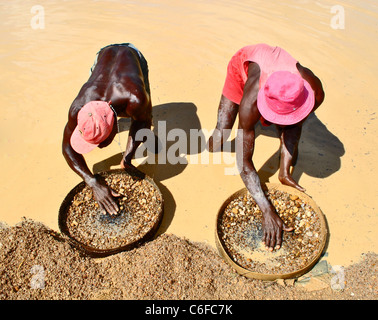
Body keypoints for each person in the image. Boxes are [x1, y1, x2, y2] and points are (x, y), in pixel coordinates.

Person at [208, 44, 325, 251]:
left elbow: (295, 124)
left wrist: (284, 172)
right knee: (220, 137)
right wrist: (267, 210)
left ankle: (284, 169)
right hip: (244, 64)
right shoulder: (249, 104)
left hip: (276, 72)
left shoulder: (314, 91)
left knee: (289, 130)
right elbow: (243, 163)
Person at [62, 43, 152, 216]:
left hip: (133, 55)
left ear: (113, 129)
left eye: (101, 141)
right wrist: (92, 180)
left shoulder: (135, 98)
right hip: (104, 54)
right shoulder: (78, 108)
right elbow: (66, 147)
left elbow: (143, 124)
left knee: (144, 114)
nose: (98, 147)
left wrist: (127, 159)